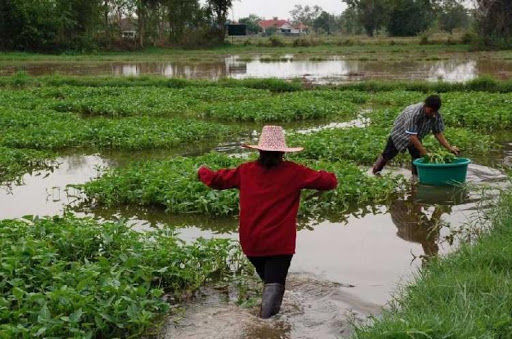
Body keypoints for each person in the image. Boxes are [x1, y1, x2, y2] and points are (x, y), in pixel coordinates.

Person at [197, 125, 337, 318]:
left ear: (260, 150)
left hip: (252, 243)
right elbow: (329, 183)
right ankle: (265, 328)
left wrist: (202, 171)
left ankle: (265, 320)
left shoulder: (245, 171)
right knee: (273, 292)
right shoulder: (295, 172)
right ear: (282, 152)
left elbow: (216, 180)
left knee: (270, 283)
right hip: (279, 244)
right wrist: (326, 173)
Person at [372, 95, 460, 176]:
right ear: (425, 106)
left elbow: (438, 133)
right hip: (399, 134)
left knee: (416, 157)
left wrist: (450, 148)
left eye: (435, 111)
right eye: (431, 111)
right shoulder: (414, 113)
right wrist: (425, 154)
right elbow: (412, 137)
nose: (433, 114)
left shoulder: (435, 114)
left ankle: (415, 178)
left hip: (416, 136)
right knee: (388, 154)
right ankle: (375, 171)